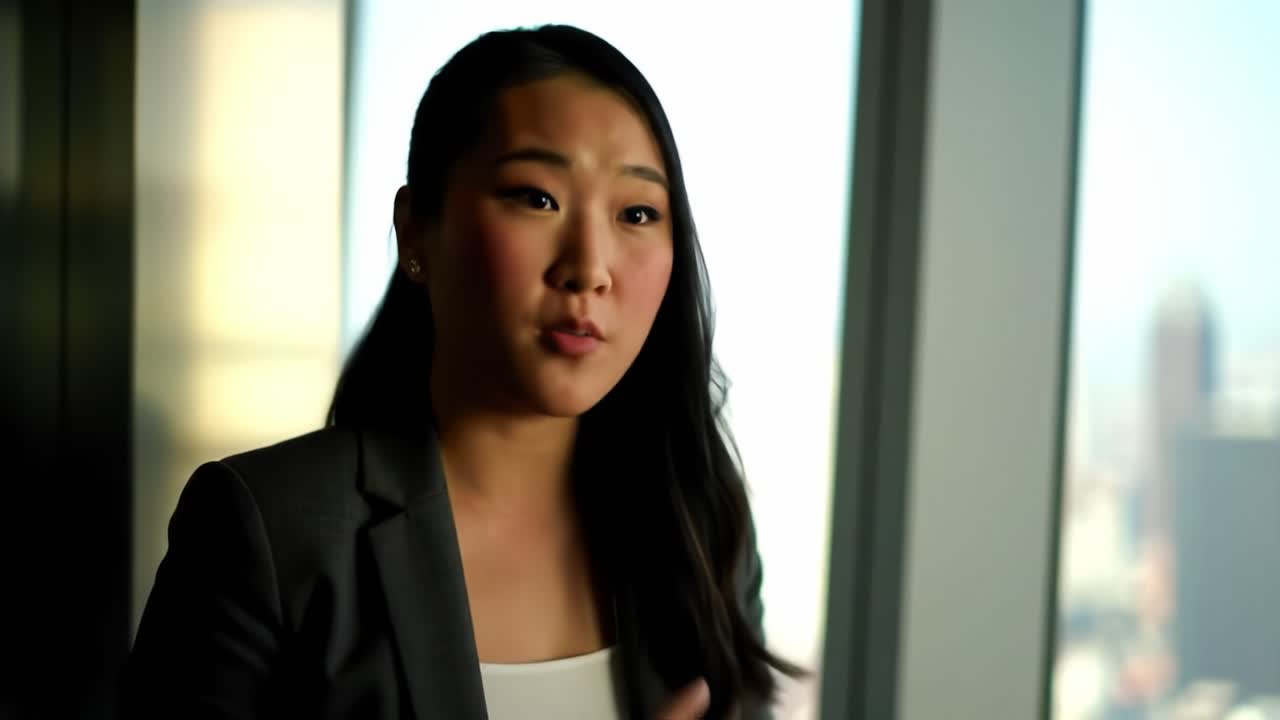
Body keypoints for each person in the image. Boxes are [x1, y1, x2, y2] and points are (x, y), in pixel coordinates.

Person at [119, 24, 799, 719]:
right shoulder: (269, 528)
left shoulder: (701, 527)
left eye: (637, 212)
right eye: (537, 198)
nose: (589, 268)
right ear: (417, 230)